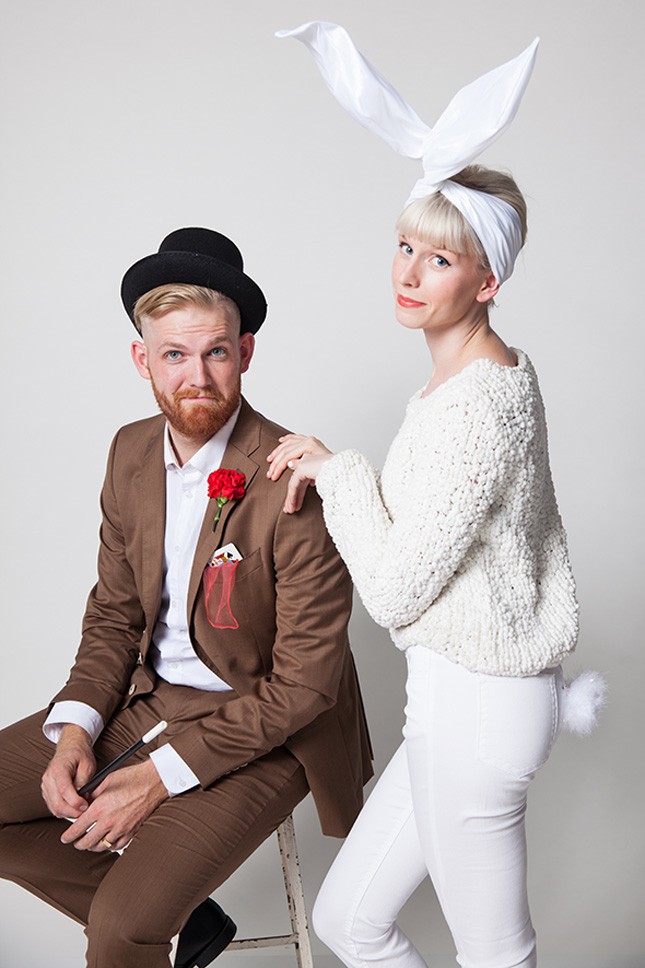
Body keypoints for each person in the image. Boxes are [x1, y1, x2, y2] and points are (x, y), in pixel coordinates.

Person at [266, 22, 596, 968]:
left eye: (439, 260)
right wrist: (339, 469)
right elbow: (432, 541)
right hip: (453, 702)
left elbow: (396, 589)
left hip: (478, 706)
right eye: (405, 246)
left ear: (488, 279)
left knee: (495, 954)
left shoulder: (477, 405)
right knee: (349, 922)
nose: (408, 273)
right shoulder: (470, 379)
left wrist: (341, 472)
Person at [0, 226, 372, 968]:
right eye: (174, 354)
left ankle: (136, 914)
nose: (196, 377)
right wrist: (73, 731)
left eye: (216, 352)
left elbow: (304, 687)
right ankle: (180, 916)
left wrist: (160, 778)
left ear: (246, 352)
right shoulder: (129, 450)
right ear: (143, 360)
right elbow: (114, 616)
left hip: (269, 725)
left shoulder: (296, 477)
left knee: (119, 931)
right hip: (150, 698)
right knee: (113, 896)